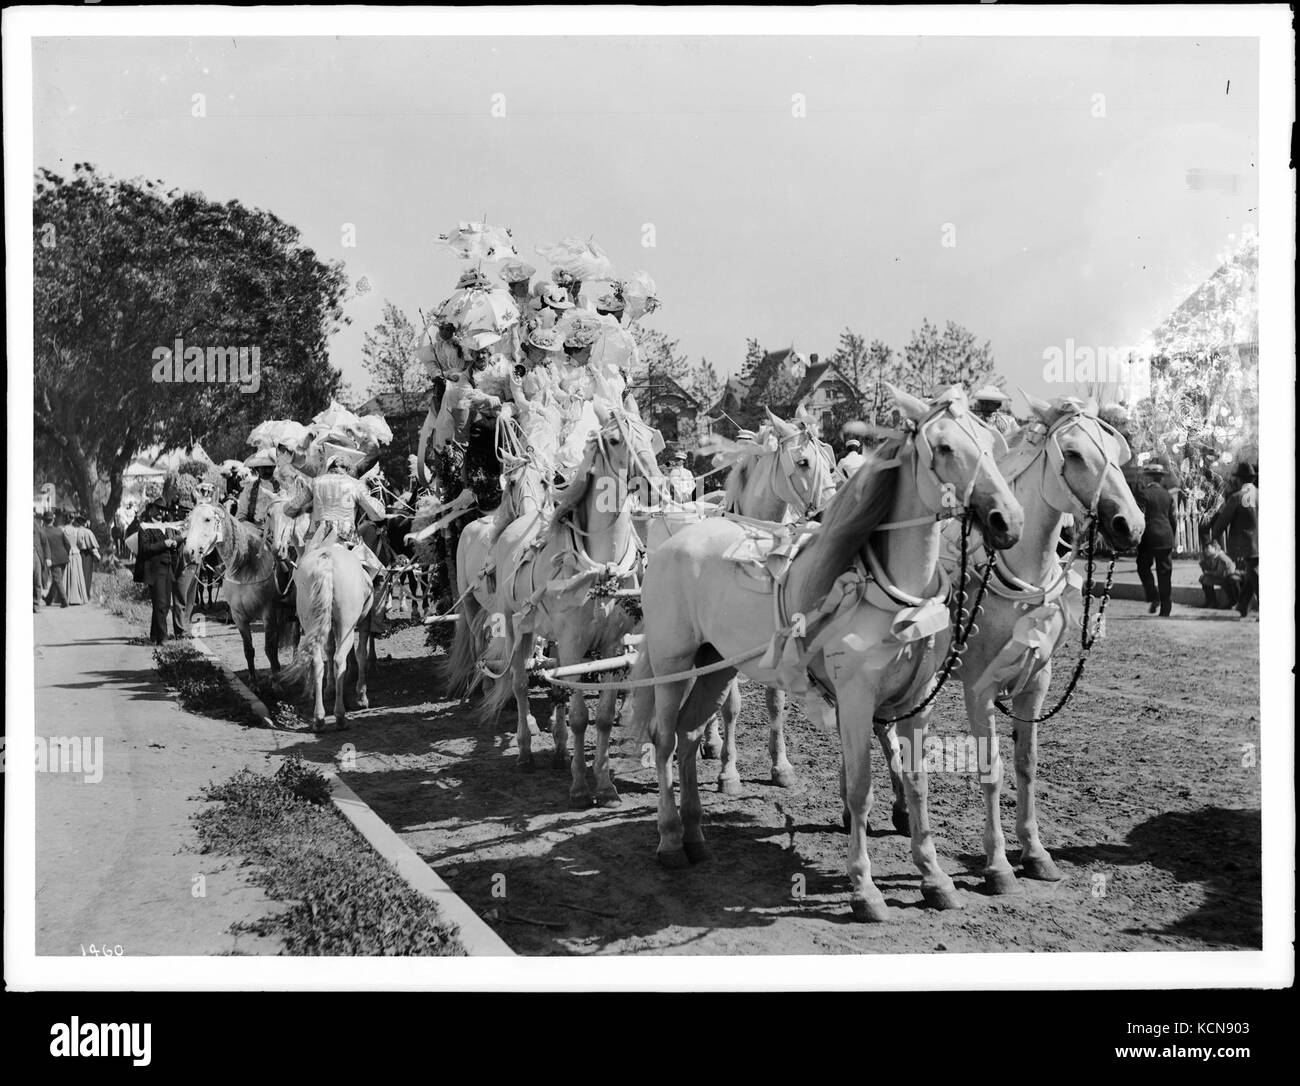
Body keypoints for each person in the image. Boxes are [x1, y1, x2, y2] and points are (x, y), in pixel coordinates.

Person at [283, 454, 388, 581]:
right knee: (380, 575)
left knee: (299, 575)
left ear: (329, 466)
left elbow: (289, 509)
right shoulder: (355, 484)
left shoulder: (315, 482)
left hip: (316, 541)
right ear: (348, 469)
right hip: (346, 540)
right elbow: (378, 515)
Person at [128, 497, 180, 644]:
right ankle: (163, 638)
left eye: (162, 510)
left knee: (165, 604)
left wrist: (174, 545)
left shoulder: (167, 527)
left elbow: (172, 546)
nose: (160, 513)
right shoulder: (145, 527)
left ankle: (154, 635)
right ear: (151, 510)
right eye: (157, 509)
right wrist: (164, 544)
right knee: (160, 604)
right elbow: (145, 549)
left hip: (167, 568)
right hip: (154, 570)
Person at [1211, 461, 1258, 619]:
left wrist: (1215, 536)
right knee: (1252, 573)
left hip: (1246, 544)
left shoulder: (1237, 497)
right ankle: (1243, 605)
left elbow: (1223, 521)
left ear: (1239, 480)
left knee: (1255, 574)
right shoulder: (1261, 495)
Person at [1135, 462, 1177, 616]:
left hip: (1148, 537)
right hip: (1166, 537)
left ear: (1148, 479)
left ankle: (1154, 596)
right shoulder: (1167, 495)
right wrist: (1172, 536)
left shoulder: (1143, 494)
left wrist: (1136, 537)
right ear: (1160, 479)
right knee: (1164, 572)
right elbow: (1173, 519)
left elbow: (1140, 517)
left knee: (1143, 567)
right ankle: (1166, 606)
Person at [238, 450, 280, 527]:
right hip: (254, 529)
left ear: (274, 468)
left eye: (270, 467)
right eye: (264, 468)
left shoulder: (281, 487)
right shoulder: (249, 487)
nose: (267, 471)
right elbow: (241, 513)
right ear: (257, 469)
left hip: (275, 529)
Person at [40, 512, 71, 608]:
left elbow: (43, 547)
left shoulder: (43, 532)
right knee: (57, 579)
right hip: (64, 558)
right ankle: (49, 599)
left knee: (57, 580)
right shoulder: (59, 530)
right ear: (53, 520)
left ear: (43, 521)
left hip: (53, 559)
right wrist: (65, 553)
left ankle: (65, 601)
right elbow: (68, 544)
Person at [1198, 540, 1239, 609]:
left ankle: (1233, 602)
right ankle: (1211, 601)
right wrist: (1203, 563)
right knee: (1203, 579)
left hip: (1228, 577)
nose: (1205, 550)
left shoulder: (1222, 557)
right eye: (1205, 549)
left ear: (1215, 548)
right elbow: (1209, 569)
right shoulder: (1212, 557)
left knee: (1207, 580)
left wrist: (1208, 573)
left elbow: (1220, 572)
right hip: (1222, 576)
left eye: (1208, 548)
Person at [73, 515, 101, 600]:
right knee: (87, 574)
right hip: (87, 555)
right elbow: (93, 545)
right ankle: (86, 594)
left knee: (78, 574)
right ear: (85, 523)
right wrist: (97, 556)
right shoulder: (88, 532)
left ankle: (78, 594)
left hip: (77, 554)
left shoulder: (75, 531)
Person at [34, 514, 52, 611]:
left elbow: (45, 544)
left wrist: (48, 558)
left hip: (36, 555)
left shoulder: (39, 529)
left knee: (37, 581)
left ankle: (36, 604)